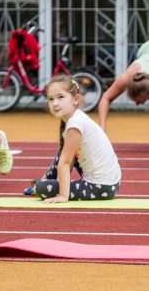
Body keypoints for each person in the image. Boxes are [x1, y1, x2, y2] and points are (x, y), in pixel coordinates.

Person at [33, 75, 121, 203]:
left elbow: (66, 162)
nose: (55, 103)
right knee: (63, 150)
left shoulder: (75, 124)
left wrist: (63, 196)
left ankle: (40, 184)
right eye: (50, 99)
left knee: (41, 188)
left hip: (102, 188)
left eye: (60, 97)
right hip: (111, 183)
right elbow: (64, 157)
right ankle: (43, 181)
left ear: (75, 99)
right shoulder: (74, 118)